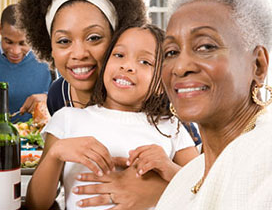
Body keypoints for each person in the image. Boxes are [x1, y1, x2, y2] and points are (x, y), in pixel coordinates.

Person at [26, 24, 199, 209]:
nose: (127, 66)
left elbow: (205, 190)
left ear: (161, 83)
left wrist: (170, 171)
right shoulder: (67, 119)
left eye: (145, 62)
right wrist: (55, 153)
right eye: (119, 55)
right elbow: (36, 205)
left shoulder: (172, 127)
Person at [153, 0, 272, 209]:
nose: (180, 67)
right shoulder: (183, 180)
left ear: (258, 65)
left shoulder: (266, 158)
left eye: (206, 46)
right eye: (171, 52)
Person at [17, 0, 147, 116]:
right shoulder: (57, 96)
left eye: (93, 38)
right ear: (51, 48)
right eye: (64, 41)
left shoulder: (141, 96)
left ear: (117, 39)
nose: (79, 54)